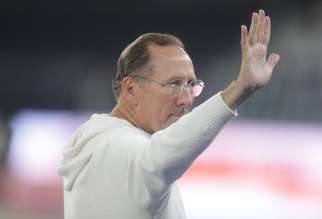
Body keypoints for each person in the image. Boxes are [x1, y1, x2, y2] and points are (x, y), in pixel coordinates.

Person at [59, 9, 279, 219]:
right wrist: (239, 89)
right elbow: (159, 156)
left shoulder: (99, 141)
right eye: (173, 84)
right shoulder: (116, 147)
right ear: (130, 89)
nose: (186, 100)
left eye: (191, 84)